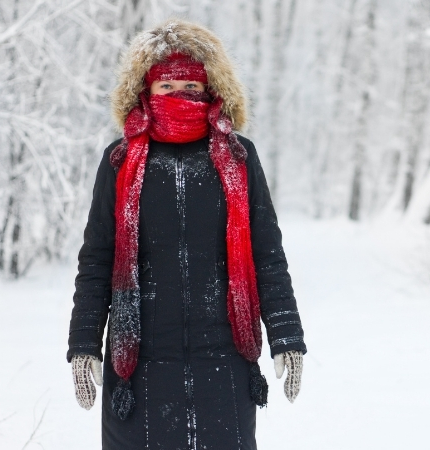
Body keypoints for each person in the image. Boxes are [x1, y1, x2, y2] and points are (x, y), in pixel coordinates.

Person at [66, 19, 306, 449]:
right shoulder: (121, 160)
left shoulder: (237, 156)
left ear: (211, 89)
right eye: (168, 85)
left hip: (224, 356)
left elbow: (266, 253)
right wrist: (84, 342)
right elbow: (98, 258)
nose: (181, 95)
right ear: (144, 89)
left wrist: (286, 333)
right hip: (138, 361)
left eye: (192, 86)